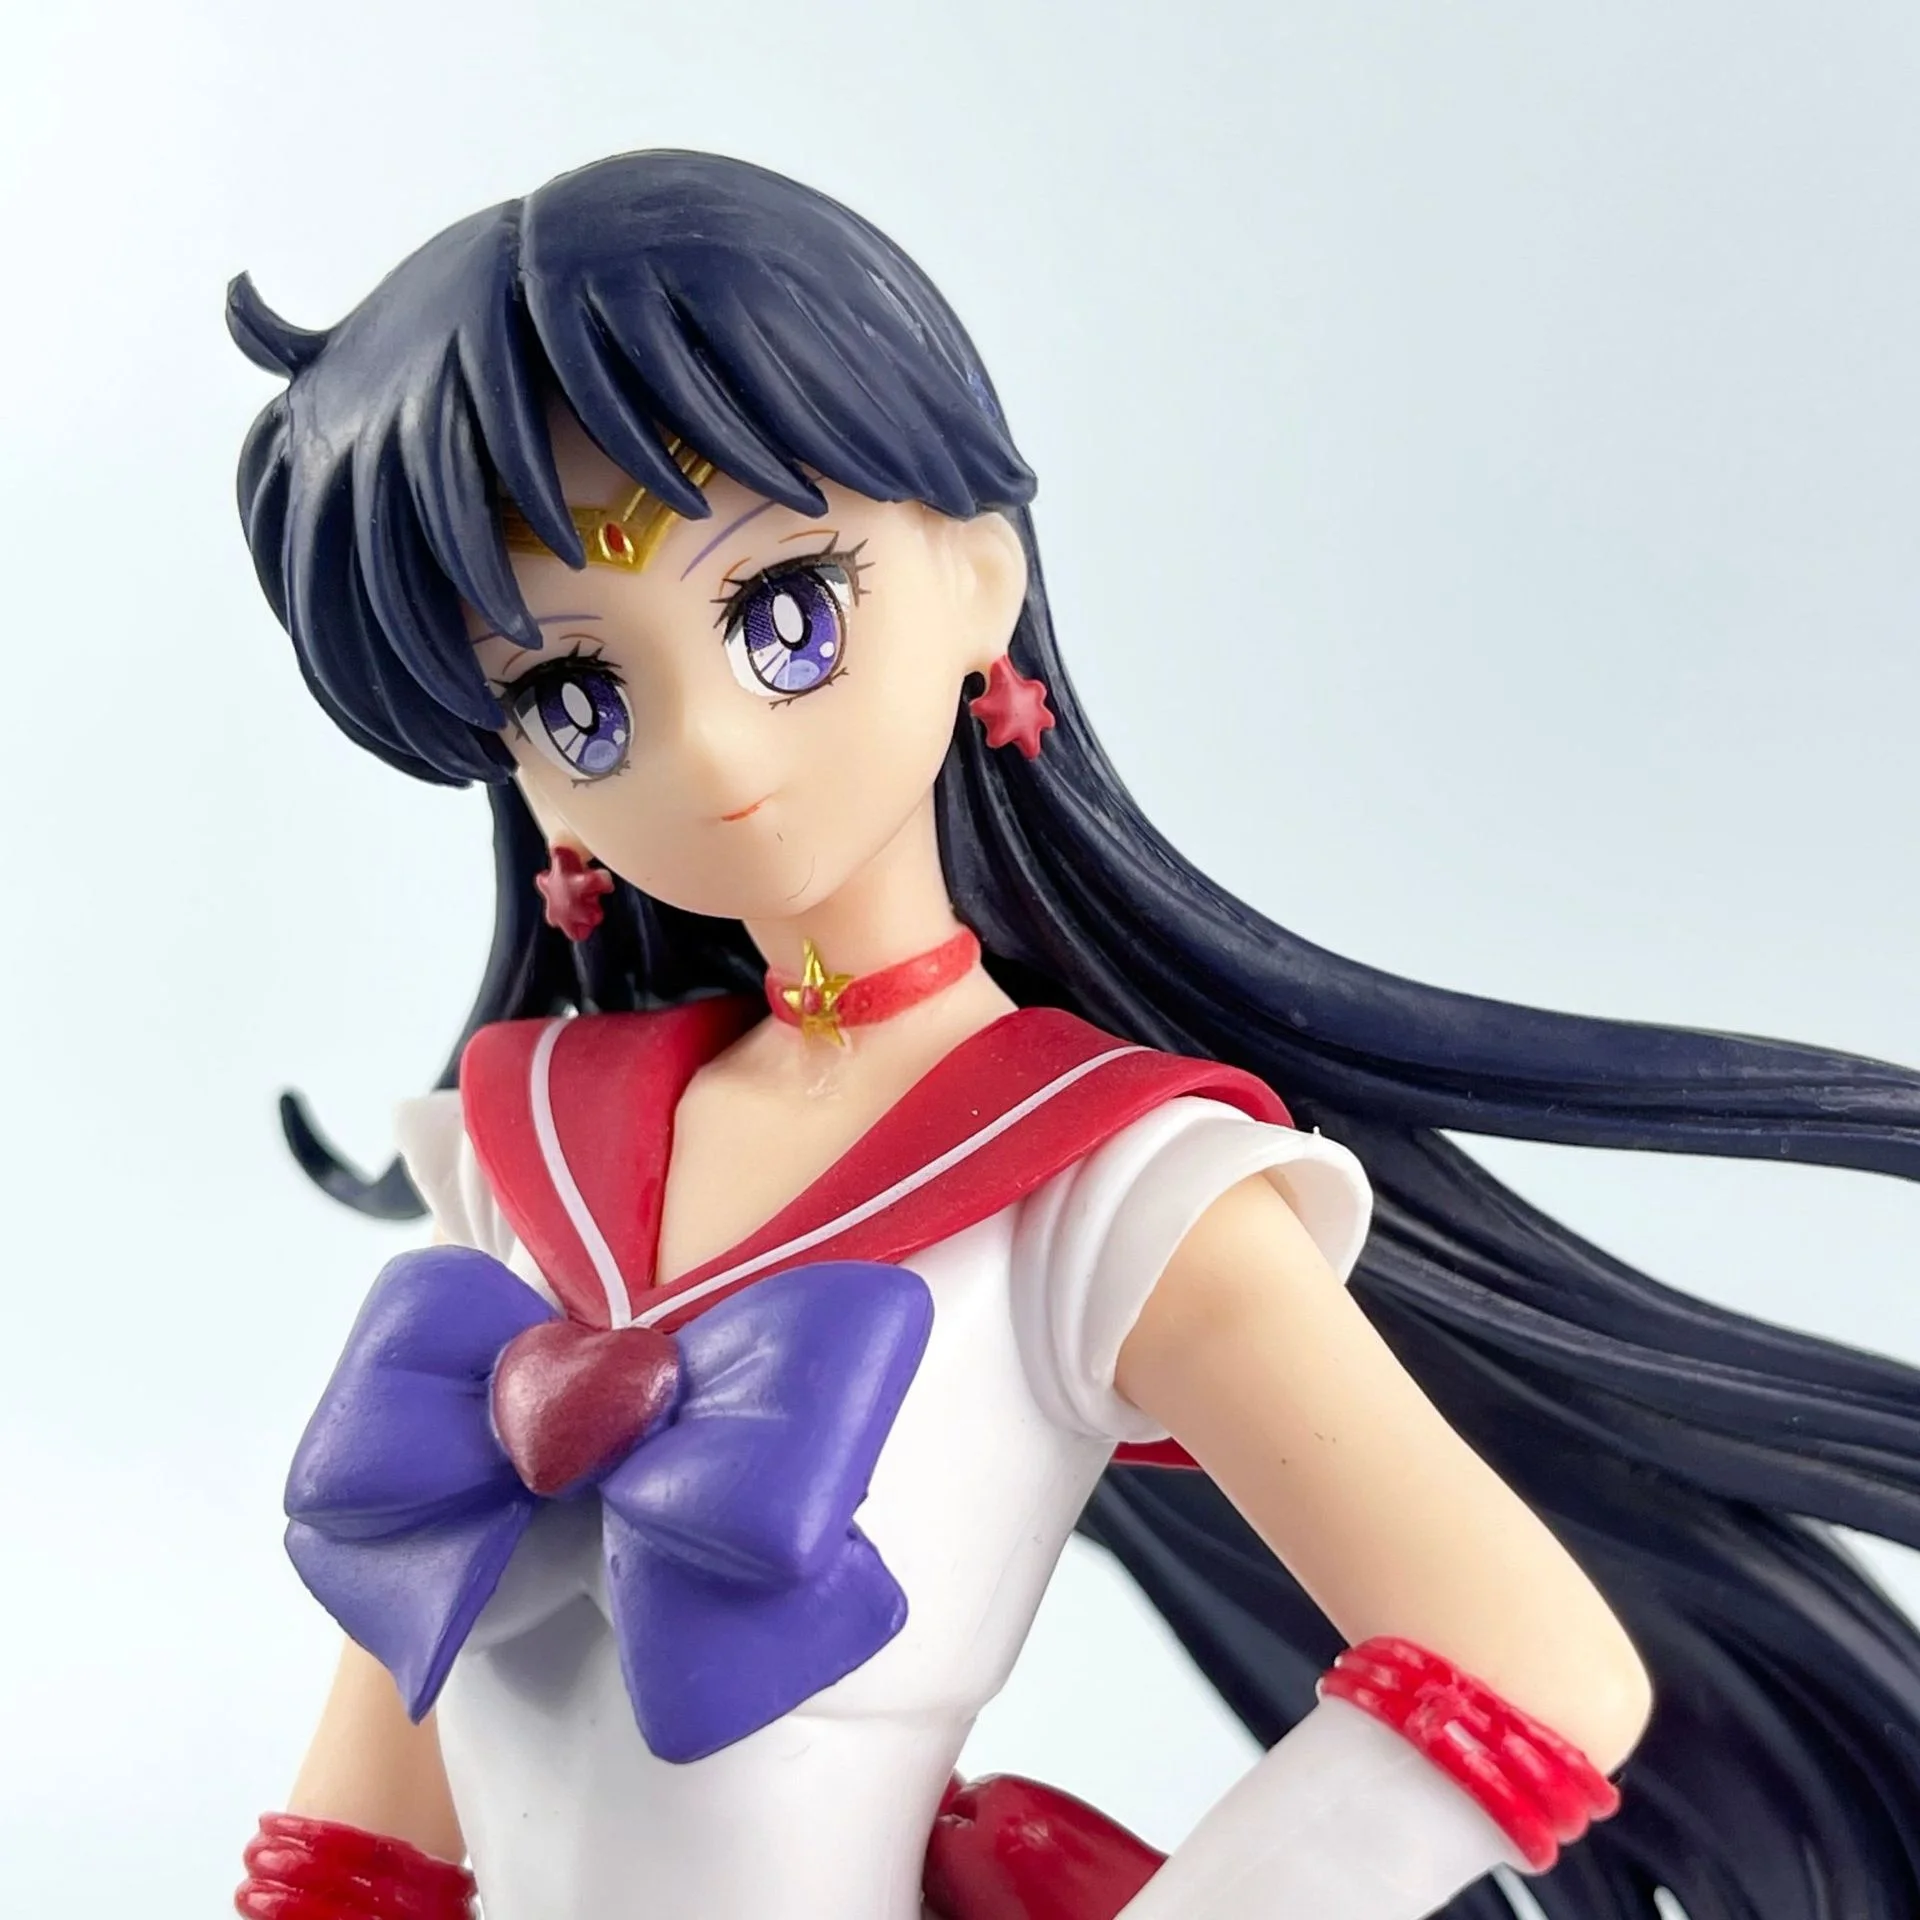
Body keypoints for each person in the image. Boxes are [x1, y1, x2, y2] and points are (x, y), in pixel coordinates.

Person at [226, 150, 1920, 1920]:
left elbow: (1536, 1661)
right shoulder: (525, 1165)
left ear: (977, 578)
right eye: (575, 695)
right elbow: (374, 1786)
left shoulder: (1107, 1187)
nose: (711, 751)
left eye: (784, 615)